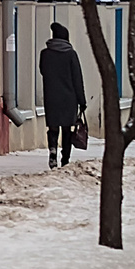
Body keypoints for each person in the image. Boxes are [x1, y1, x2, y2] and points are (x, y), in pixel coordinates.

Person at [40, 21, 88, 167]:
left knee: (53, 127)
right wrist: (82, 101)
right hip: (69, 98)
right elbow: (77, 78)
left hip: (51, 97)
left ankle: (53, 150)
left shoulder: (45, 54)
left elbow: (43, 71)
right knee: (67, 129)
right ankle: (65, 158)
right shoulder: (71, 55)